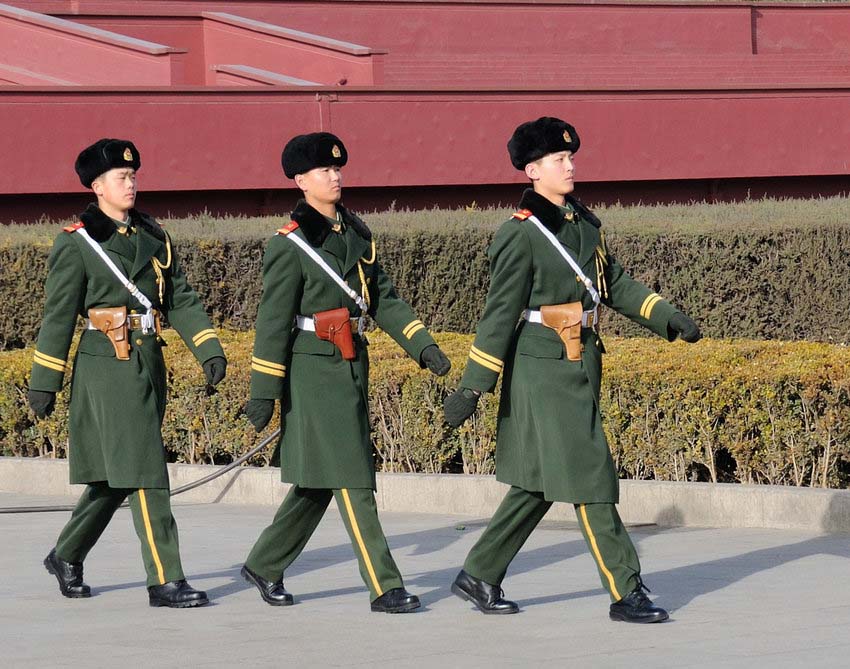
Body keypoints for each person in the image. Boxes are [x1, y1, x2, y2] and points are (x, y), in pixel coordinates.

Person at [444, 117, 702, 623]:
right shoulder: (520, 234)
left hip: (581, 358)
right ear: (532, 170)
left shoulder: (583, 225)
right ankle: (626, 590)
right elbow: (499, 314)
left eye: (571, 157)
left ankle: (479, 573)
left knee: (539, 480)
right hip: (541, 369)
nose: (570, 165)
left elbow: (614, 284)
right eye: (559, 159)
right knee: (589, 473)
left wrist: (665, 316)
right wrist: (473, 387)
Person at [241, 132, 451, 613]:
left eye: (338, 169)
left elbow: (384, 299)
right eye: (324, 170)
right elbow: (272, 323)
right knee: (354, 476)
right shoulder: (289, 245)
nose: (335, 177)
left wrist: (423, 345)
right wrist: (263, 391)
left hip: (353, 362)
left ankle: (264, 564)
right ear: (300, 180)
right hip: (313, 371)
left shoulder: (356, 235)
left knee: (319, 481)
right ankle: (384, 584)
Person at [29, 138, 227, 608]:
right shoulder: (78, 242)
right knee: (145, 468)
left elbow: (179, 297)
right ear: (97, 187)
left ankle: (66, 554)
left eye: (133, 176)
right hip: (106, 366)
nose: (131, 183)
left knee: (117, 474)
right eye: (120, 177)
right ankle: (165, 578)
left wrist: (208, 348)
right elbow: (58, 316)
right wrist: (45, 380)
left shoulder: (152, 236)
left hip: (147, 361)